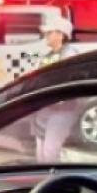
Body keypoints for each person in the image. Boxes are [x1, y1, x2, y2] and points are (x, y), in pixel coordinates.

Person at [32, 16, 80, 163]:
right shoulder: (49, 56)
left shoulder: (69, 55)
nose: (45, 35)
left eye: (49, 32)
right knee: (41, 154)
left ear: (61, 34)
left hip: (61, 110)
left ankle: (54, 183)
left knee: (50, 153)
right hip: (46, 109)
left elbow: (67, 81)